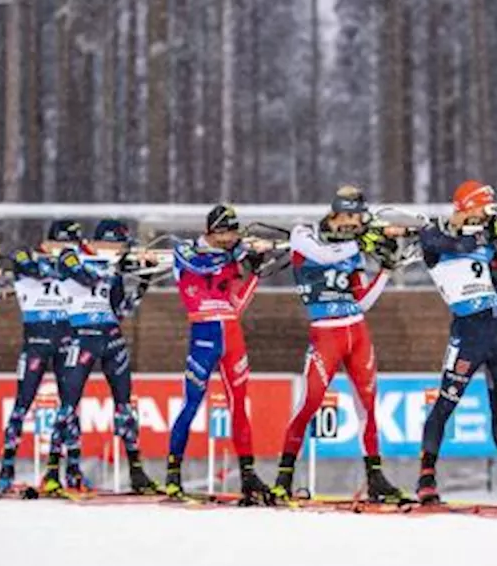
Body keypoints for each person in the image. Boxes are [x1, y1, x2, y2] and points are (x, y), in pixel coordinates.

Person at [414, 181, 497, 506]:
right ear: (463, 207)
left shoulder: (486, 241)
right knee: (446, 402)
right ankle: (426, 477)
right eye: (481, 207)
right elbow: (451, 244)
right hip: (468, 332)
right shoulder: (433, 235)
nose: (486, 214)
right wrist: (480, 234)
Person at [271, 185, 405, 503]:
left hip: (356, 332)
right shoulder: (304, 234)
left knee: (369, 407)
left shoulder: (352, 247)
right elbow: (323, 255)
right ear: (336, 214)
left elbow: (363, 301)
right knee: (309, 403)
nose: (356, 225)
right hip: (325, 334)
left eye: (360, 220)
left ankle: (376, 478)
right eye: (352, 218)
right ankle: (283, 476)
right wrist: (360, 241)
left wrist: (386, 270)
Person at [164, 205, 275, 505]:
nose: (230, 238)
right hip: (203, 335)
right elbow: (199, 267)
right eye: (225, 233)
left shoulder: (234, 255)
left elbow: (236, 304)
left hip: (232, 336)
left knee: (240, 406)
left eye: (233, 233)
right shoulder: (188, 251)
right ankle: (173, 475)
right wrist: (233, 255)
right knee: (191, 404)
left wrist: (255, 272)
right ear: (211, 231)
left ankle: (248, 474)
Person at [45, 219, 158, 496]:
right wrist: (112, 266)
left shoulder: (112, 267)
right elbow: (86, 277)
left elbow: (121, 310)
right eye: (118, 244)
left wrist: (144, 280)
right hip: (80, 337)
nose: (120, 249)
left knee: (125, 406)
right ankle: (52, 472)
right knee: (68, 406)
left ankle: (136, 472)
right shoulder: (71, 256)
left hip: (111, 337)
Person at [0, 221, 77, 496]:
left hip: (65, 341)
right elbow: (19, 259)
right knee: (21, 405)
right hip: (36, 345)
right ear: (49, 243)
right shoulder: (28, 257)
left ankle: (66, 469)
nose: (68, 251)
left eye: (72, 247)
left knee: (70, 407)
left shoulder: (77, 264)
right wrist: (57, 264)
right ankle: (6, 468)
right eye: (64, 245)